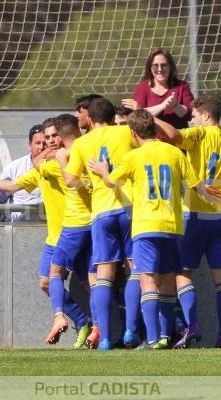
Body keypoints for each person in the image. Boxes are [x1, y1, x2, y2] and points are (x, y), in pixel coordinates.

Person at [89, 109, 215, 349]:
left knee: (147, 280)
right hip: (172, 226)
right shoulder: (175, 153)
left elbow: (111, 182)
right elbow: (197, 186)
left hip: (145, 226)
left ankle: (153, 338)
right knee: (168, 280)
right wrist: (219, 203)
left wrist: (104, 171)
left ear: (134, 133)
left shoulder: (133, 157)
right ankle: (166, 335)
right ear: (155, 130)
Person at [0, 118, 90, 348]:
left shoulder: (60, 163)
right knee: (46, 282)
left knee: (88, 283)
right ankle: (85, 322)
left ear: (63, 137)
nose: (49, 142)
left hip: (75, 229)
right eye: (45, 139)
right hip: (57, 235)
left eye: (54, 137)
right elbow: (13, 186)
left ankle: (105, 325)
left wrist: (43, 156)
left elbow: (37, 162)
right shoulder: (47, 166)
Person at [156, 95, 221, 348]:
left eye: (194, 116)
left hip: (193, 215)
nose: (191, 121)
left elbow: (174, 136)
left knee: (183, 274)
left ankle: (191, 325)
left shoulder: (196, 136)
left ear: (206, 116)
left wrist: (151, 116)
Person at [61, 98, 136, 351]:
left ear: (90, 120)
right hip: (128, 207)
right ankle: (131, 332)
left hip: (101, 213)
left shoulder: (83, 142)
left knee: (103, 276)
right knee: (133, 270)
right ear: (114, 117)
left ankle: (103, 338)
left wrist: (88, 183)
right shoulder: (125, 131)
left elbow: (70, 178)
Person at [45, 114, 94, 349]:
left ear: (62, 136)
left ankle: (59, 316)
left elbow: (68, 178)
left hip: (74, 223)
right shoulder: (92, 148)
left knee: (54, 273)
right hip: (95, 222)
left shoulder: (63, 155)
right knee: (93, 281)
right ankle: (99, 328)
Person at [122, 48, 194, 129]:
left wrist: (175, 105)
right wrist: (163, 106)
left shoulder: (182, 86)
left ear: (170, 67)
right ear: (150, 68)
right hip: (151, 140)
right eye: (155, 65)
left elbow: (190, 114)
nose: (159, 69)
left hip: (178, 138)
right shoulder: (142, 88)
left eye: (164, 65)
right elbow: (139, 118)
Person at [0, 124, 44, 222]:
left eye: (44, 143)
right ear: (30, 144)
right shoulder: (13, 168)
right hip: (18, 231)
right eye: (38, 143)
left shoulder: (56, 166)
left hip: (47, 228)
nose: (41, 147)